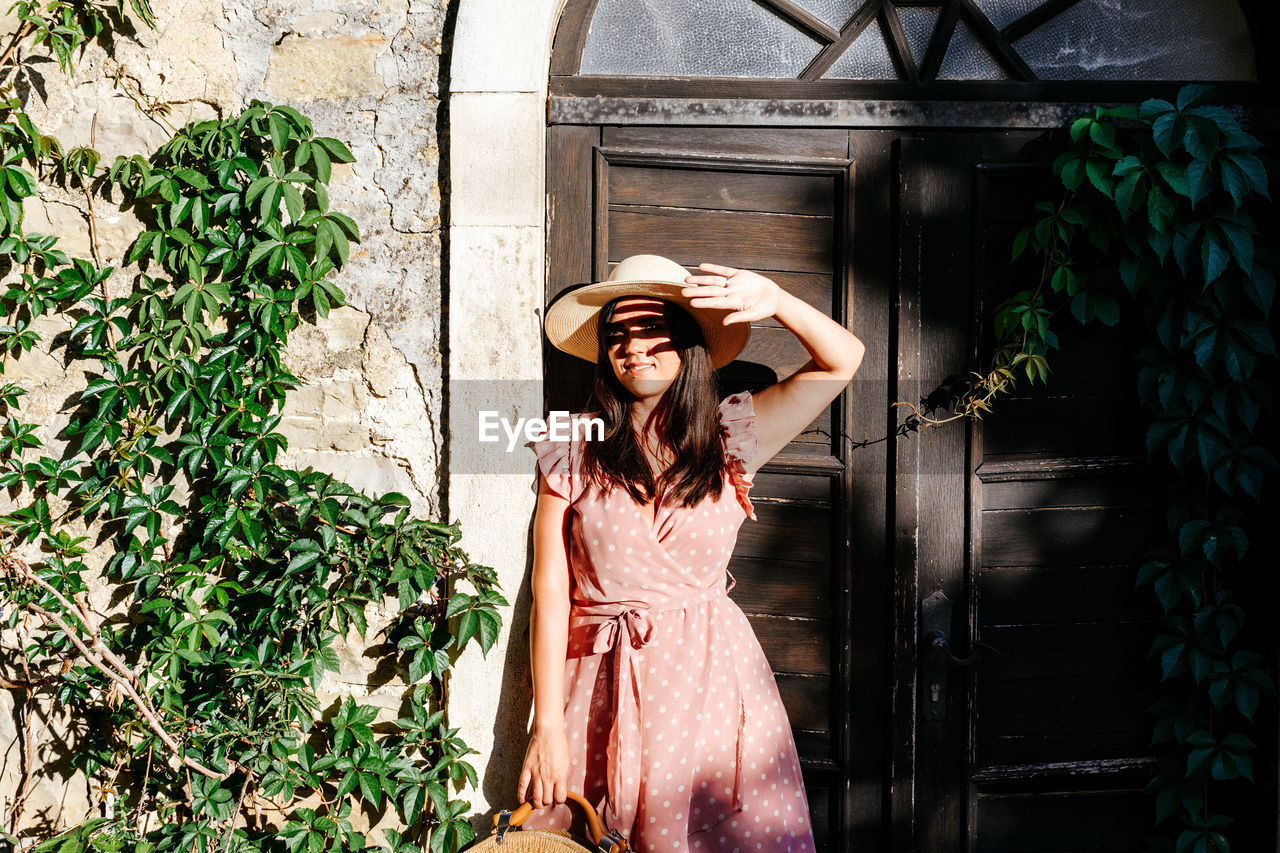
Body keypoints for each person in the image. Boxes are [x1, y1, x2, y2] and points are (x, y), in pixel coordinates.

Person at [517, 254, 864, 852]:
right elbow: (550, 592)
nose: (634, 347)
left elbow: (843, 359)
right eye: (618, 335)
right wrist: (546, 725)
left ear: (690, 346)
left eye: (654, 329)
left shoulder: (733, 436)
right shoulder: (573, 444)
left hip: (710, 680)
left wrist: (775, 298)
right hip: (599, 682)